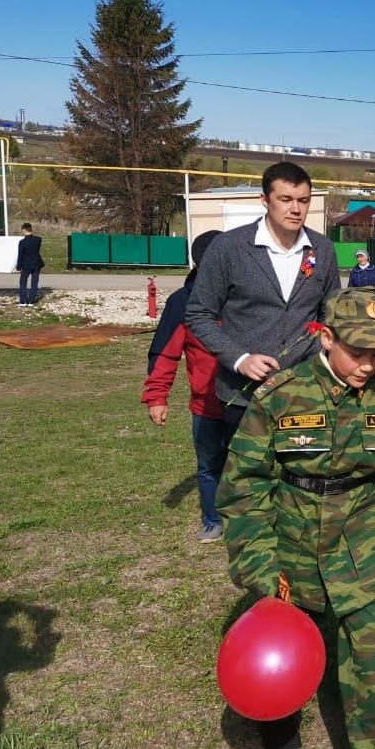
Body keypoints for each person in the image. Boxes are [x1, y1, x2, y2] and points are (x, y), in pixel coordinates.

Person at [218, 286, 375, 749]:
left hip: (366, 552)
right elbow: (244, 486)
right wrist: (259, 568)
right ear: (327, 338)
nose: (370, 365)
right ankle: (277, 715)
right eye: (359, 352)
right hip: (293, 549)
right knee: (290, 646)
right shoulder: (282, 394)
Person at [186, 161, 342, 438]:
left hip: (306, 394)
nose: (296, 209)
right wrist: (239, 359)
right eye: (286, 199)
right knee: (247, 479)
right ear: (264, 200)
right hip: (243, 395)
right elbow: (199, 314)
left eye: (303, 201)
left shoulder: (323, 249)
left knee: (302, 479)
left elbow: (330, 315)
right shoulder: (229, 247)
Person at [141, 230, 227, 542]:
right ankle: (212, 520)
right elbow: (165, 352)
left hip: (250, 404)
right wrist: (156, 397)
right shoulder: (183, 304)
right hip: (206, 405)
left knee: (251, 466)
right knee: (209, 467)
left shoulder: (249, 299)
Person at [15, 222, 45, 306]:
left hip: (26, 264)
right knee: (34, 282)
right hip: (36, 263)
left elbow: (20, 255)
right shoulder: (38, 239)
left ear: (24, 230)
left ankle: (23, 301)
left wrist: (18, 267)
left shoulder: (22, 242)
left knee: (23, 282)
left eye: (22, 230)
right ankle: (31, 301)